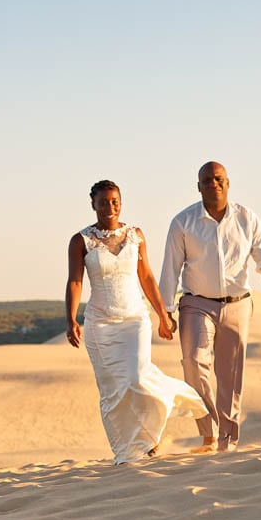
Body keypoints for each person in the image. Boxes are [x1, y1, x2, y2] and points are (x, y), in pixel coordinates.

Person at [66, 179, 208, 464]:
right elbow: (75, 281)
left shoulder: (135, 235)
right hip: (100, 324)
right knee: (114, 390)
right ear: (93, 204)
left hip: (134, 320)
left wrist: (163, 315)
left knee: (137, 378)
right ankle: (129, 450)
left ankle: (154, 428)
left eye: (115, 201)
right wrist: (71, 318)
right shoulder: (81, 241)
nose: (110, 207)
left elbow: (146, 278)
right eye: (103, 202)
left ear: (121, 203)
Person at [159, 161, 261, 453]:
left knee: (230, 376)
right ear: (198, 186)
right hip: (196, 303)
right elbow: (170, 269)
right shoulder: (183, 222)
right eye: (207, 180)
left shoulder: (247, 219)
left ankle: (227, 443)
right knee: (193, 363)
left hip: (238, 304)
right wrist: (164, 311)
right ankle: (208, 431)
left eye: (218, 179)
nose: (213, 184)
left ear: (228, 183)